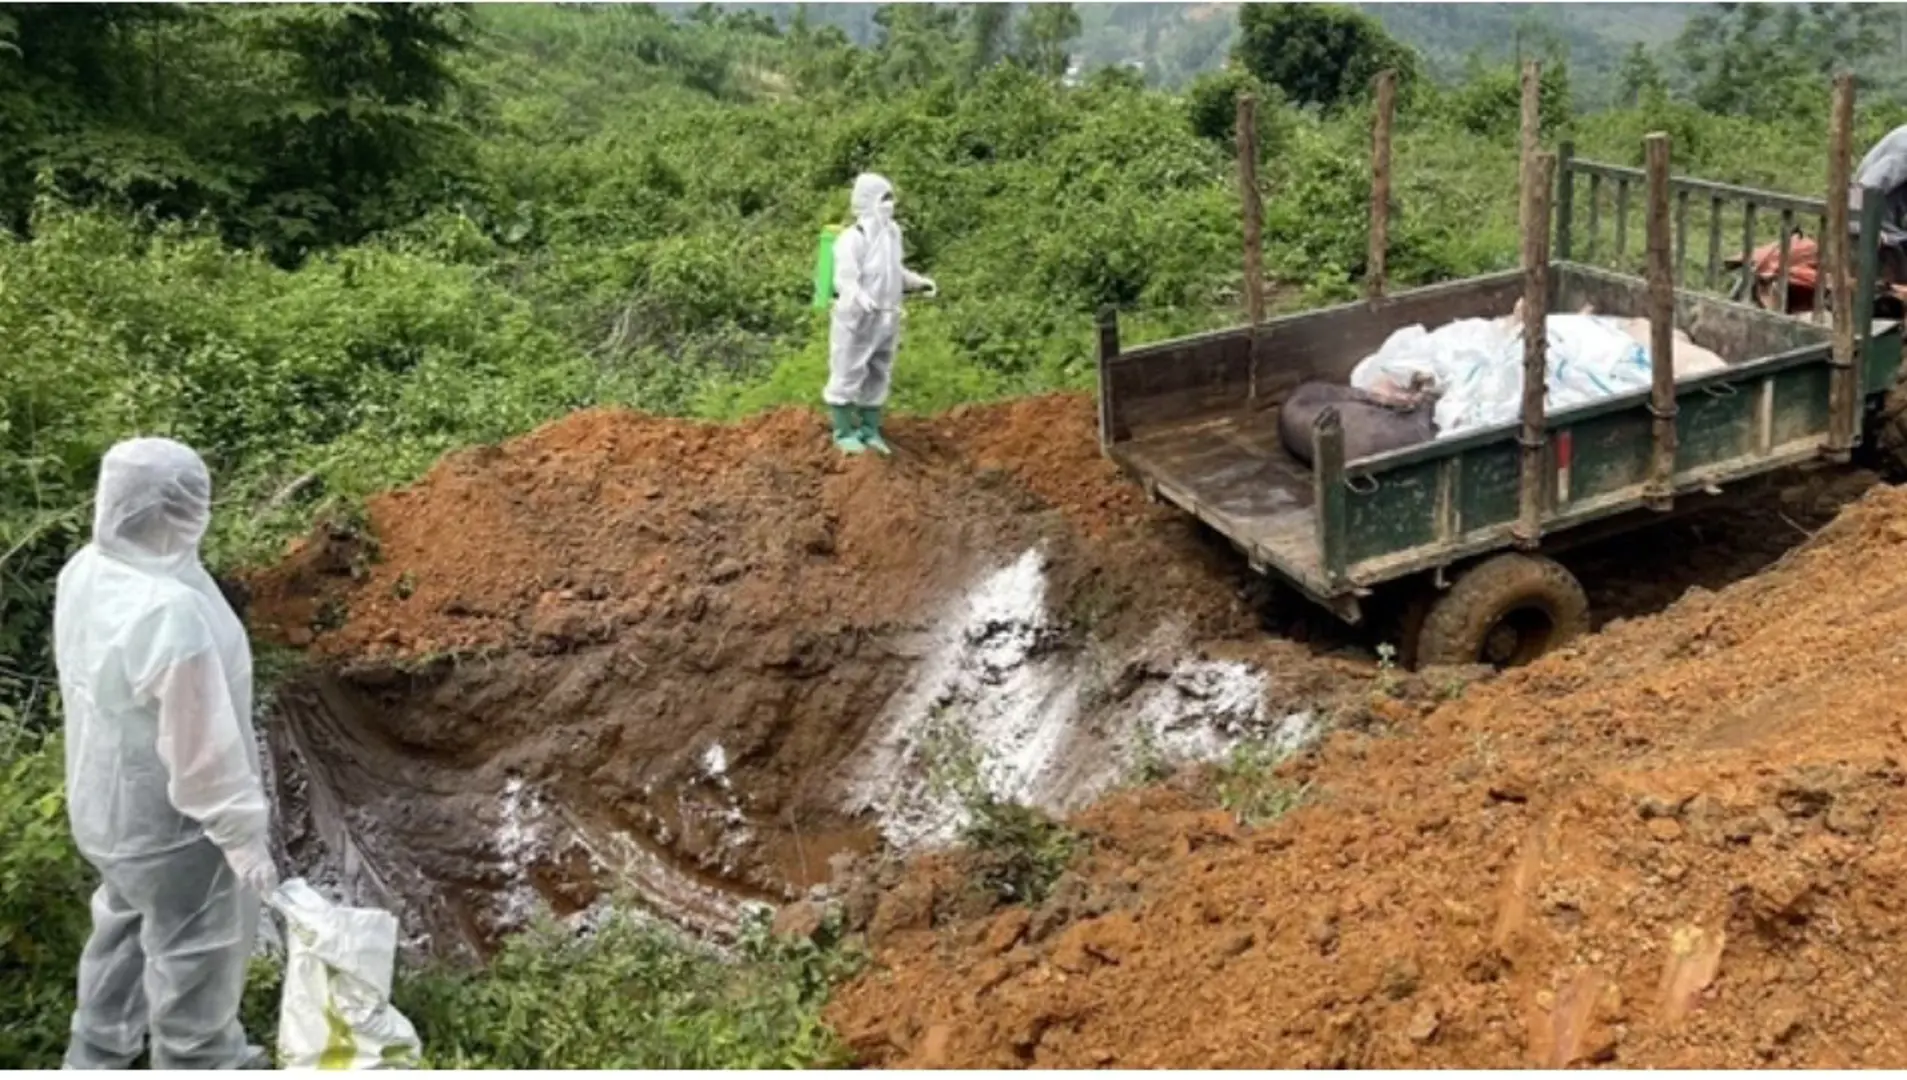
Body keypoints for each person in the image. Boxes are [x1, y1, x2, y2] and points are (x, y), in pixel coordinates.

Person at [55, 437, 277, 1069]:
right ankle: (199, 1059)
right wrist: (240, 834)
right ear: (184, 508)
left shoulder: (90, 571)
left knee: (123, 925)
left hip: (105, 806)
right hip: (173, 827)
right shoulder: (169, 612)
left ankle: (96, 1055)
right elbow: (198, 746)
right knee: (194, 957)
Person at [823, 173, 937, 457]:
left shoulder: (892, 233)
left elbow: (892, 271)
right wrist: (861, 298)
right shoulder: (852, 239)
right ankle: (844, 431)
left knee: (879, 371)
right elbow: (845, 280)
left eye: (890, 198)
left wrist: (916, 283)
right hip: (856, 320)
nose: (889, 204)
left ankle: (870, 429)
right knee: (849, 370)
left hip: (886, 318)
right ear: (867, 202)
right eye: (883, 199)